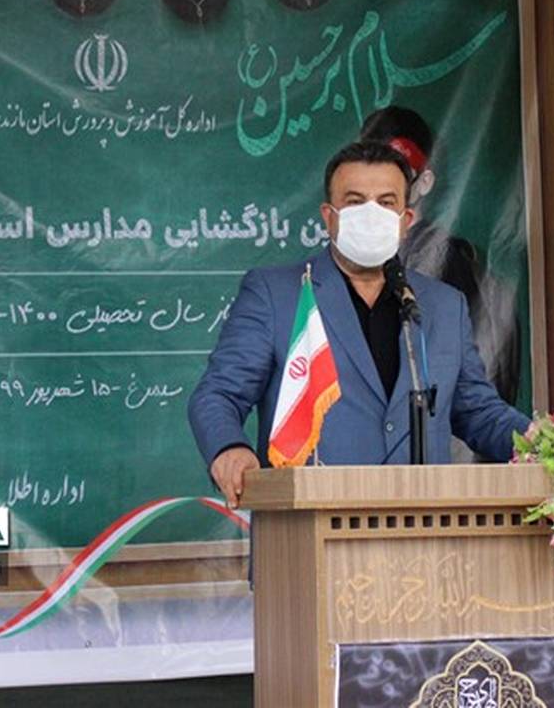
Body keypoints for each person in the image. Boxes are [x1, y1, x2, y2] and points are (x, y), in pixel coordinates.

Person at [189, 141, 530, 508]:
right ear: (328, 216)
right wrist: (229, 448)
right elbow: (219, 394)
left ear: (406, 220)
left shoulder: (444, 305)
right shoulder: (276, 294)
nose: (371, 214)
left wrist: (544, 443)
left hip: (423, 527)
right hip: (310, 524)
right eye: (355, 202)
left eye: (386, 202)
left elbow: (478, 412)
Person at [359, 105, 522, 406]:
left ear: (424, 182)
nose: (380, 186)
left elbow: (471, 381)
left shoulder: (448, 263)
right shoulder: (352, 261)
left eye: (396, 172)